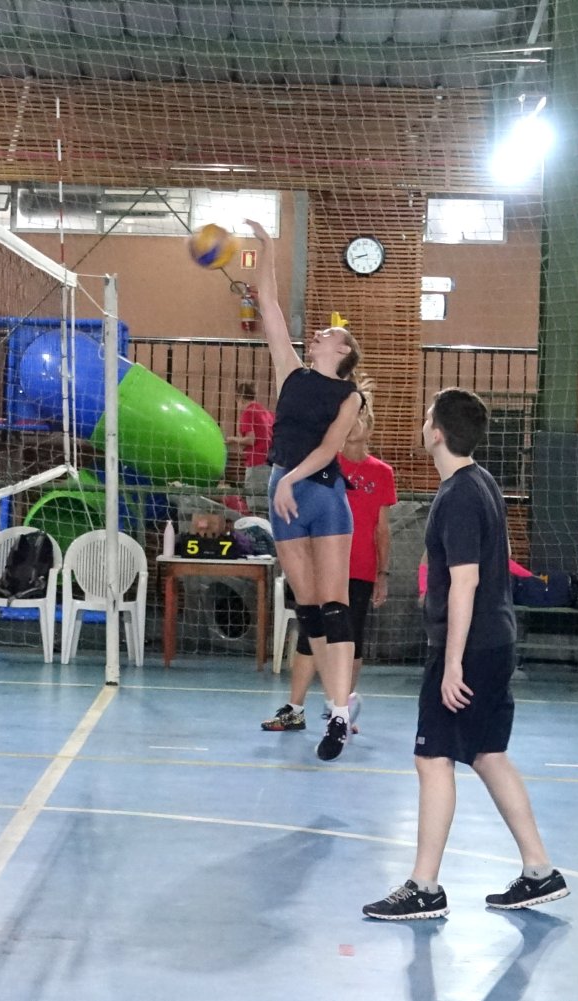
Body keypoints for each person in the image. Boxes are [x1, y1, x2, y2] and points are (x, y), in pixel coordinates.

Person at [362, 388, 567, 920]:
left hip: (471, 648)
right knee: (488, 753)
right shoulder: (483, 483)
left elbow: (465, 582)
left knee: (432, 758)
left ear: (437, 433)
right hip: (497, 641)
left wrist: (452, 662)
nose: (422, 422)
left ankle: (424, 886)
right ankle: (540, 871)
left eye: (427, 415)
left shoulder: (457, 495)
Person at [246, 218, 367, 761]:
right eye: (319, 332)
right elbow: (269, 303)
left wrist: (289, 479)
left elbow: (330, 449)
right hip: (285, 493)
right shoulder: (291, 372)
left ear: (344, 351)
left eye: (329, 334)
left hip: (319, 492)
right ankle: (333, 705)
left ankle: (338, 713)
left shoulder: (349, 396)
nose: (319, 333)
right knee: (310, 607)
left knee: (336, 604)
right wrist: (268, 247)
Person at [262, 409, 396, 732]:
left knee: (350, 640)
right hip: (326, 565)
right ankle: (295, 708)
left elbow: (382, 528)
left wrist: (383, 573)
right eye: (350, 419)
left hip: (360, 567)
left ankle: (341, 709)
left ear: (370, 428)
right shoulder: (324, 463)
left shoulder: (381, 472)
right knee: (311, 633)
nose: (354, 425)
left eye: (361, 419)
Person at [227, 380, 275, 516]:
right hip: (270, 463)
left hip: (257, 463)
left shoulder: (248, 413)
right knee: (267, 504)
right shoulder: (265, 412)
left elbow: (250, 439)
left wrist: (233, 440)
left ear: (240, 398)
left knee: (257, 505)